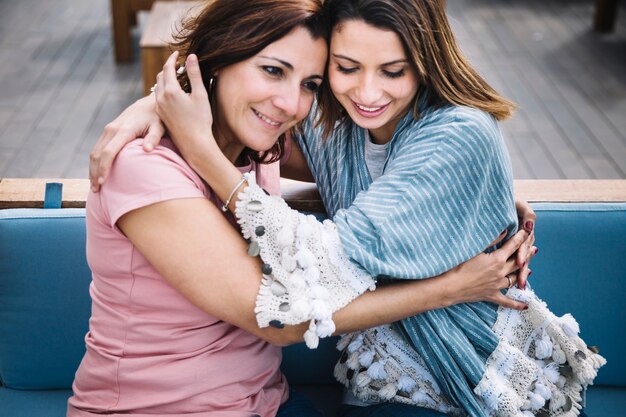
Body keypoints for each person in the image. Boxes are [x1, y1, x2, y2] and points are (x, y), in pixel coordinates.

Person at [70, 1, 541, 417]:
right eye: (273, 71)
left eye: (310, 83)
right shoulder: (144, 167)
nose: (290, 104)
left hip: (265, 402)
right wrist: (451, 288)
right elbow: (277, 320)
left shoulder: (261, 151)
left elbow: (406, 162)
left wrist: (475, 189)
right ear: (217, 58)